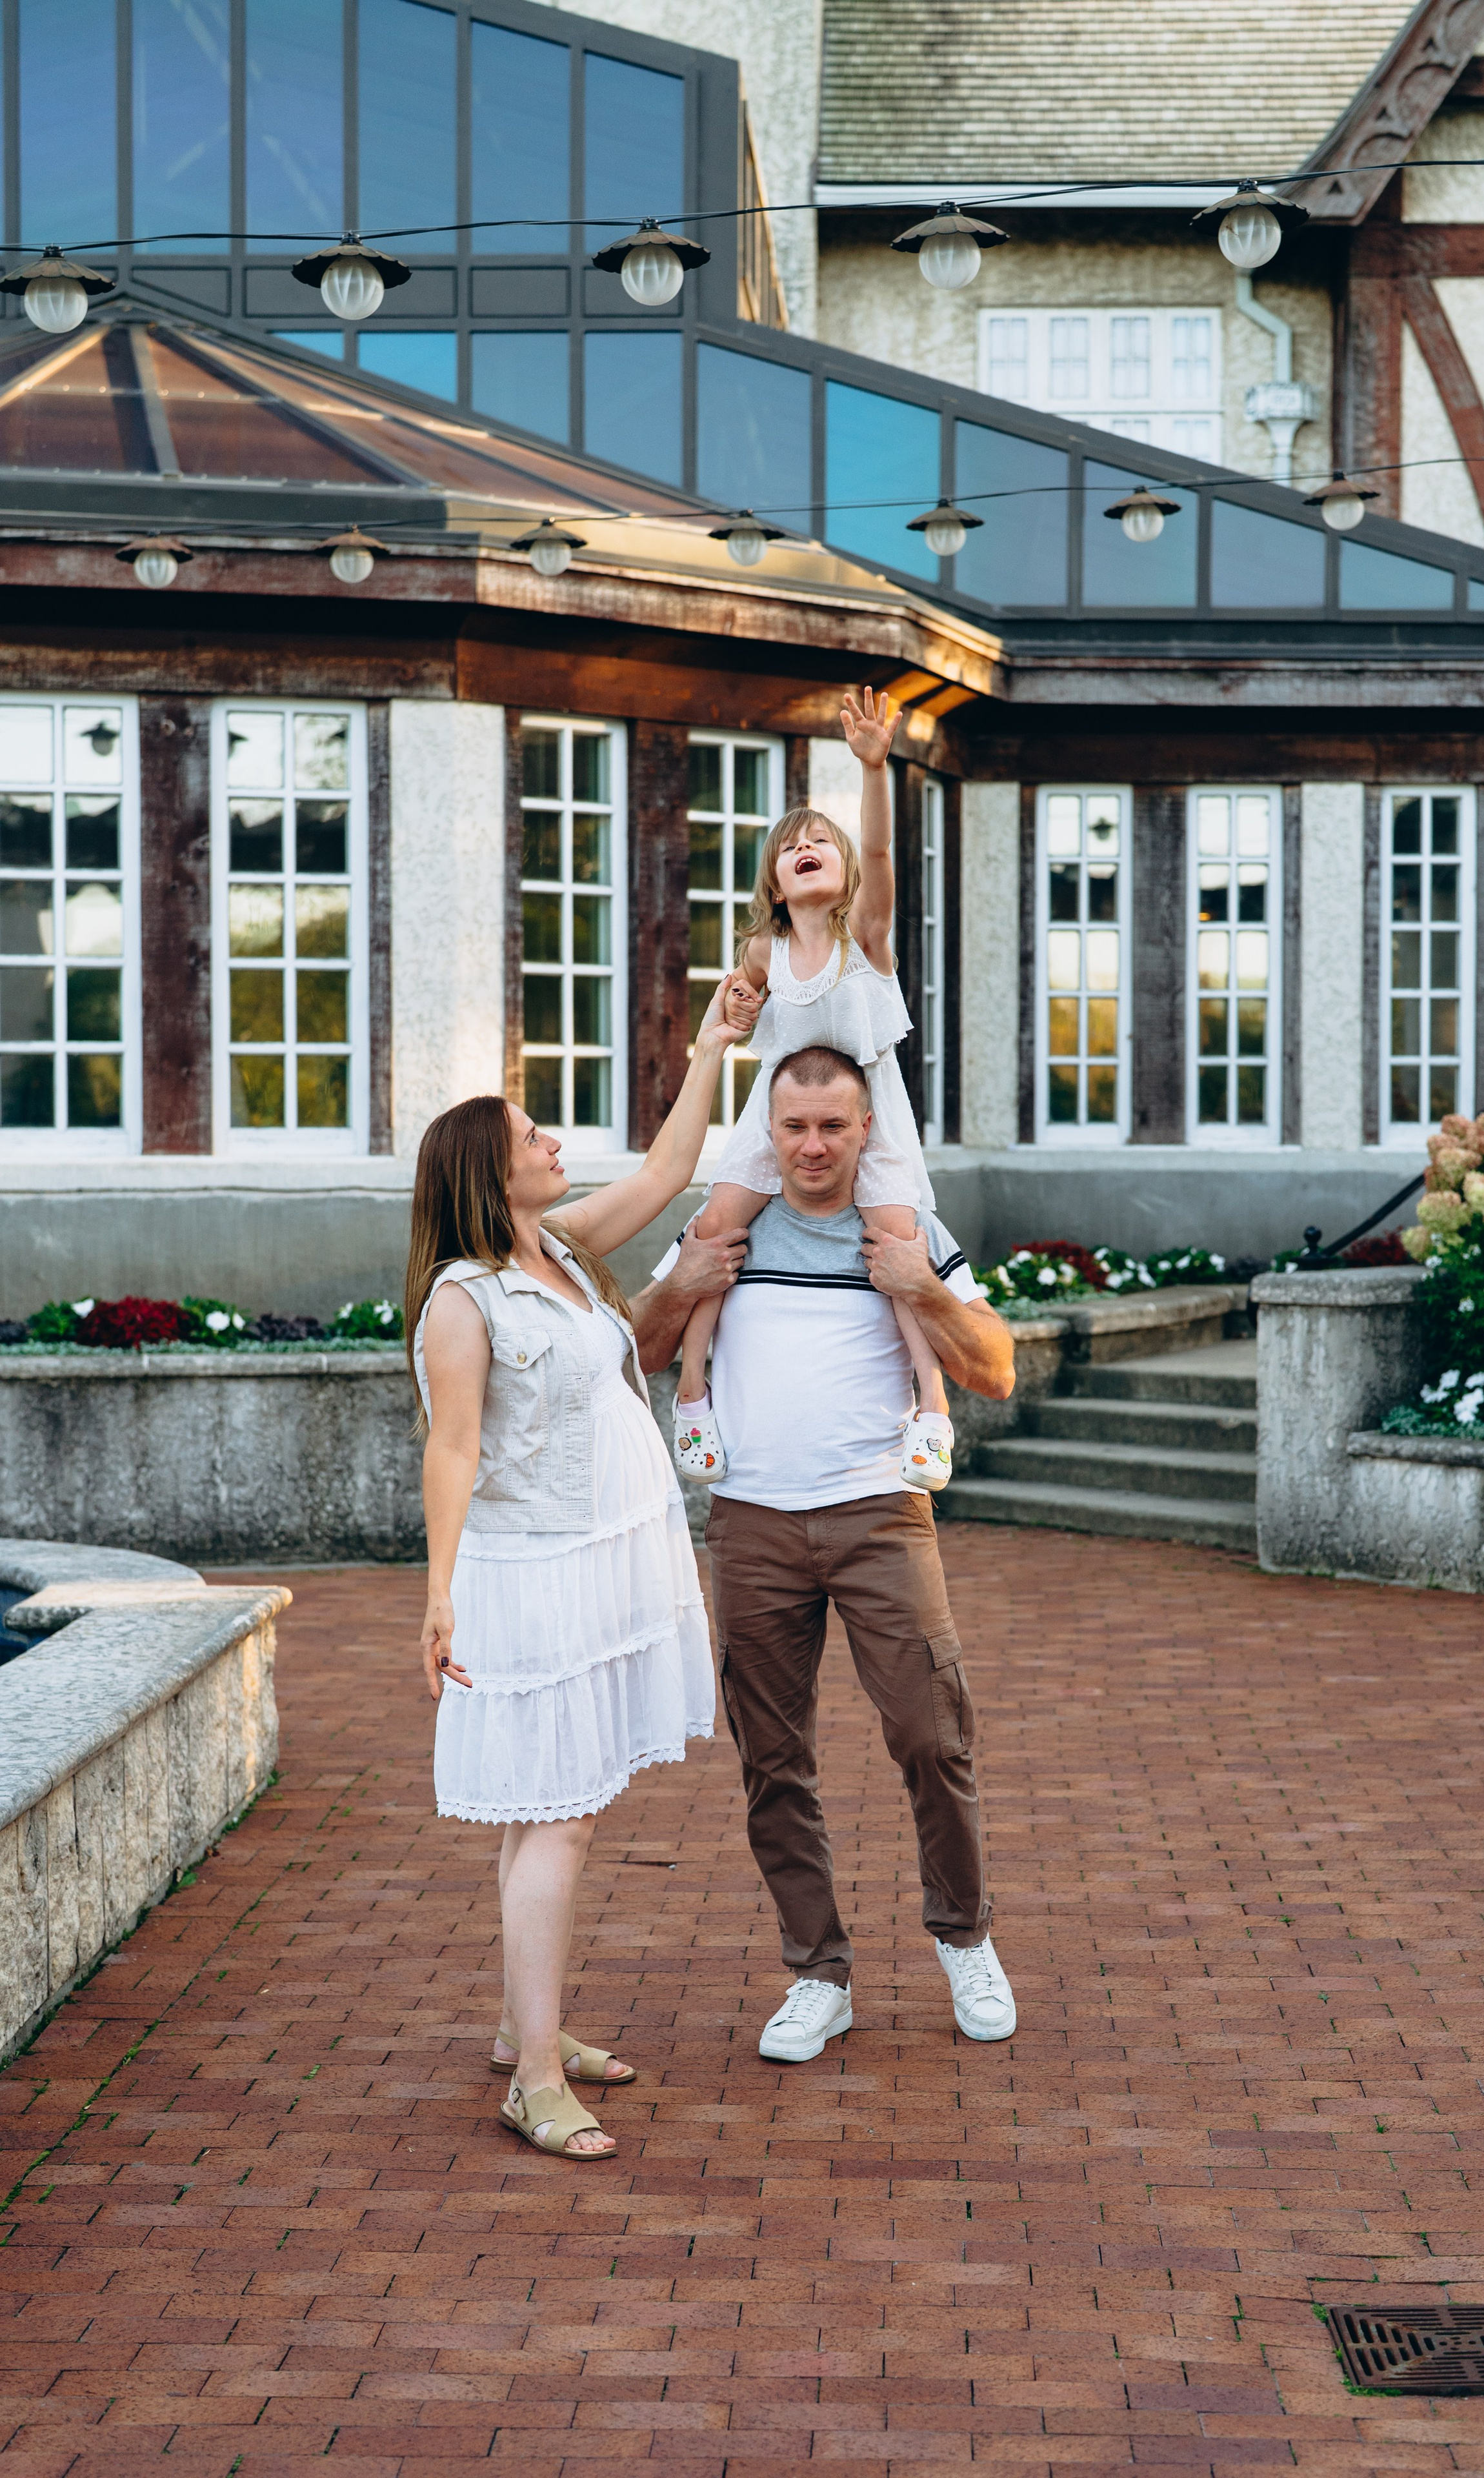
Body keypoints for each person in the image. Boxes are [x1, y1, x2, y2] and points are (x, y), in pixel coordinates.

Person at [409, 971, 759, 2161]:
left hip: (608, 1555)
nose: (552, 1141)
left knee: (559, 1812)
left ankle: (525, 2026)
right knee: (553, 1817)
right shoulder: (466, 1299)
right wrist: (437, 1591)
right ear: (482, 1174)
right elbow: (450, 1448)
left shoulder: (555, 1251)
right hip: (532, 1577)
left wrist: (711, 1043)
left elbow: (665, 1176)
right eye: (528, 1136)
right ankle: (537, 2077)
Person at [631, 1043, 1019, 2064]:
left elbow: (997, 1368)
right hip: (751, 1524)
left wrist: (922, 1288)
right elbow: (639, 1348)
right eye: (793, 1126)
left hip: (880, 1515)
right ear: (770, 1129)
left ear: (865, 1132)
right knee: (773, 1757)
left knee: (932, 1731)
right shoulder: (725, 1226)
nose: (811, 1146)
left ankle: (967, 1938)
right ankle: (818, 1975)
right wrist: (690, 1282)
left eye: (832, 1126)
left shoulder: (909, 1230)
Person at [670, 687, 952, 1495]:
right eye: (791, 846)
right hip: (780, 1115)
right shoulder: (763, 948)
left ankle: (929, 1403)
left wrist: (874, 768)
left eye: (821, 842)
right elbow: (733, 1008)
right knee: (713, 1232)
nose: (807, 848)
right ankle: (694, 1393)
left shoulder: (863, 936)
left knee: (897, 1245)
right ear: (773, 880)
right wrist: (731, 1008)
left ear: (843, 871)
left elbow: (883, 853)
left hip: (870, 1112)